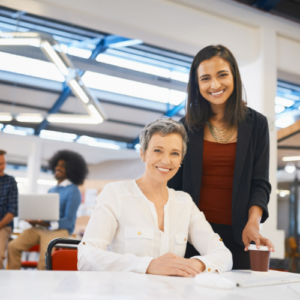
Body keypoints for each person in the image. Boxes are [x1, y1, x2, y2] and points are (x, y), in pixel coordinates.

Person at [78, 118, 232, 276]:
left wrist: (197, 264)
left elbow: (224, 255)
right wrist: (147, 265)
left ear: (181, 160)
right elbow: (86, 256)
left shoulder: (185, 203)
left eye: (175, 153)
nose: (166, 160)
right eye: (158, 150)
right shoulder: (115, 194)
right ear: (143, 153)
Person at [168, 45, 275, 269]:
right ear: (197, 85)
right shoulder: (185, 128)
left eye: (222, 75)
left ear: (234, 76)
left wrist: (253, 223)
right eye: (205, 78)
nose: (215, 85)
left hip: (240, 237)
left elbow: (260, 182)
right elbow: (173, 188)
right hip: (192, 238)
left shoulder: (257, 125)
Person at [8, 150, 88, 270]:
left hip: (59, 231)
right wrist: (35, 220)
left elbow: (69, 221)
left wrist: (45, 223)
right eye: (57, 164)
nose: (58, 167)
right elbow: (45, 213)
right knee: (13, 246)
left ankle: (43, 286)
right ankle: (13, 280)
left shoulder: (73, 191)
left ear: (71, 169)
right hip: (41, 227)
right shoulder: (51, 190)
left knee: (44, 258)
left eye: (63, 166)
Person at [0, 150, 18, 270]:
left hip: (3, 226)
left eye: (4, 163)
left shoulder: (10, 181)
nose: (3, 166)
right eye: (0, 163)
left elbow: (13, 211)